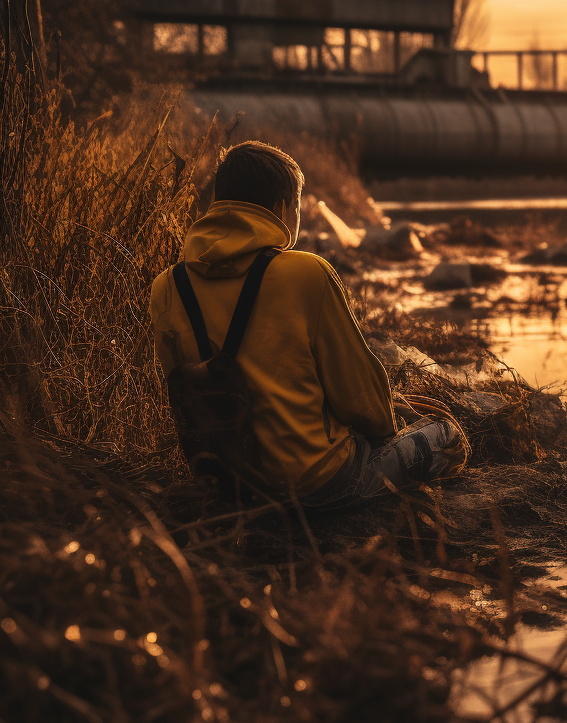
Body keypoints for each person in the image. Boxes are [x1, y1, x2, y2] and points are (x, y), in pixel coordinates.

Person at [150, 141, 464, 511]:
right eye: (298, 207)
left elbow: (185, 394)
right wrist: (389, 412)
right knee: (447, 435)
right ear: (284, 208)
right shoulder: (306, 272)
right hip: (320, 484)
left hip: (233, 486)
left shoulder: (167, 286)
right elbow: (366, 407)